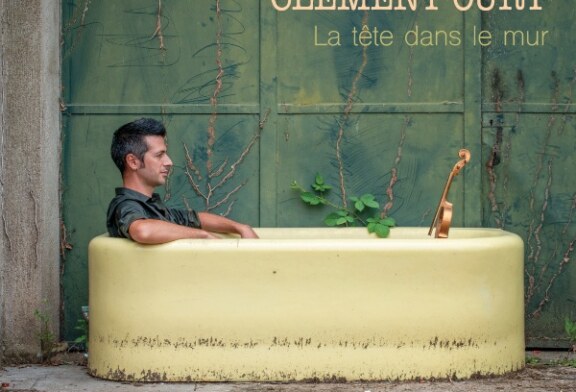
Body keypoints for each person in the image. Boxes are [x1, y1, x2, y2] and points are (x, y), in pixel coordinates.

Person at [106, 117, 259, 244]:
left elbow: (195, 219)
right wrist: (203, 236)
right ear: (133, 162)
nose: (169, 162)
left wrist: (241, 228)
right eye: (159, 155)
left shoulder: (151, 206)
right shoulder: (126, 205)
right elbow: (143, 231)